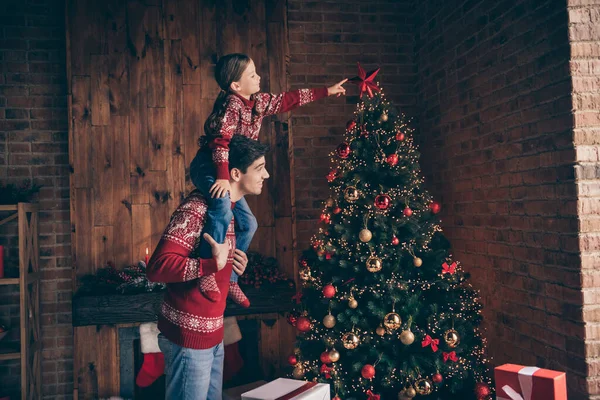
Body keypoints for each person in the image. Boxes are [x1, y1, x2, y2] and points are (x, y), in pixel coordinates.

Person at [192, 53, 347, 306]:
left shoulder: (260, 102)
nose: (259, 77)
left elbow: (290, 99)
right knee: (221, 206)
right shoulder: (232, 106)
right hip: (210, 166)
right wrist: (221, 179)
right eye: (252, 75)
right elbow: (221, 143)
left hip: (230, 172)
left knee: (249, 224)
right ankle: (207, 271)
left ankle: (230, 279)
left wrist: (327, 91)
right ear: (236, 86)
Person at [146, 135, 270, 399]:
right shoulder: (196, 209)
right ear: (235, 174)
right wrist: (211, 264)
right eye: (260, 168)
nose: (267, 175)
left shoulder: (234, 212)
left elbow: (220, 264)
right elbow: (157, 268)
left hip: (214, 333)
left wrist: (235, 266)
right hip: (187, 339)